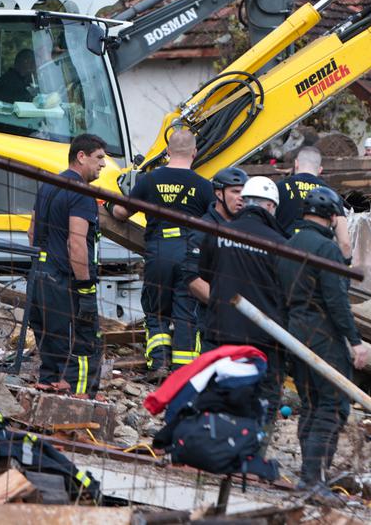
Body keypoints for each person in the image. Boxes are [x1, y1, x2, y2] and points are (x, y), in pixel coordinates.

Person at [277, 187, 369, 487]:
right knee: (331, 405)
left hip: (294, 332)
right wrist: (354, 341)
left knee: (310, 404)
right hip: (322, 335)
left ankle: (310, 475)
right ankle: (314, 479)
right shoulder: (326, 249)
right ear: (332, 216)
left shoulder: (288, 244)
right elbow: (337, 300)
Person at [111, 130, 215, 374]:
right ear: (194, 152)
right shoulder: (204, 186)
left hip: (158, 251)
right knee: (186, 311)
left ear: (168, 151)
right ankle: (184, 369)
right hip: (191, 254)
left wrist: (108, 203)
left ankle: (158, 364)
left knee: (156, 310)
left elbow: (120, 213)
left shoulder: (148, 180)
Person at [198, 176, 288, 427]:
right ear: (271, 207)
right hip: (264, 338)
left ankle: (214, 450)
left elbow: (204, 274)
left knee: (217, 395)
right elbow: (287, 291)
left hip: (220, 331)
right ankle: (251, 454)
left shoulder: (218, 233)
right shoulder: (281, 243)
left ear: (245, 202)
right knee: (263, 401)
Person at [27, 133, 107, 395]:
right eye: (99, 158)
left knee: (50, 344)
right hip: (66, 279)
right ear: (81, 157)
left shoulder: (49, 185)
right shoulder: (81, 194)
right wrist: (85, 286)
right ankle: (78, 403)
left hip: (40, 272)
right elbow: (77, 242)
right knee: (82, 346)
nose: (103, 165)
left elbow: (31, 231)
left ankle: (48, 391)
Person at [185, 166, 250, 346]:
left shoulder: (248, 226)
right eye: (235, 191)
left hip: (246, 323)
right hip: (214, 323)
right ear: (219, 194)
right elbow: (192, 279)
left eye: (245, 192)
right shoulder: (203, 230)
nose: (241, 197)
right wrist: (226, 306)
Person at [276, 147, 351, 259]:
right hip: (318, 260)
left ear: (296, 163)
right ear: (320, 169)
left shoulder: (279, 187)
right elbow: (345, 243)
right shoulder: (330, 194)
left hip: (285, 257)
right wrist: (346, 265)